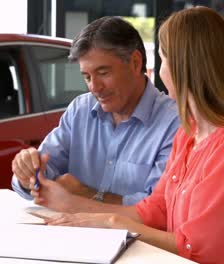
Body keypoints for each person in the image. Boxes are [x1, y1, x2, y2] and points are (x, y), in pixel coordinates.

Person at [42, 6, 224, 263]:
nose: (159, 71)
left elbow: (201, 247)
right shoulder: (188, 135)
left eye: (163, 59)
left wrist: (114, 224)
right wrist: (84, 215)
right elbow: (156, 210)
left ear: (187, 66)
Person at [11, 16, 180, 210]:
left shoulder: (174, 123)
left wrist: (86, 195)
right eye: (87, 76)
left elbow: (161, 209)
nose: (94, 87)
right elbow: (43, 172)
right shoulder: (79, 111)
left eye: (103, 73)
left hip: (133, 239)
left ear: (135, 62)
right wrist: (26, 174)